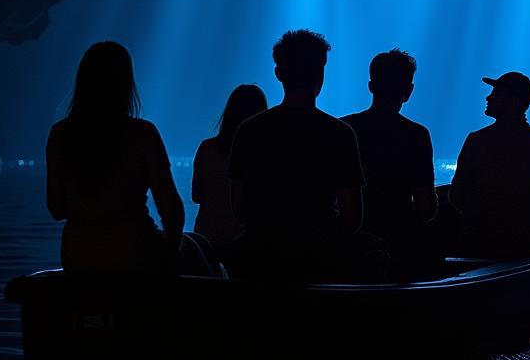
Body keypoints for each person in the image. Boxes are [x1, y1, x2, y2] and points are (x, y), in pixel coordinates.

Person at [46, 41, 216, 274]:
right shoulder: (142, 133)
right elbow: (171, 210)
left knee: (197, 242)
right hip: (133, 250)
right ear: (126, 84)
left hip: (77, 255)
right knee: (199, 249)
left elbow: (56, 209)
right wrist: (170, 252)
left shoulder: (59, 135)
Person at [228, 29, 374, 280]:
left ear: (279, 73)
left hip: (258, 261)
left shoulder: (248, 131)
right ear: (321, 74)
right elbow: (352, 217)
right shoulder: (339, 134)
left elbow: (239, 209)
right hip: (319, 262)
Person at [341, 50, 436, 275]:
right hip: (400, 246)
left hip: (349, 246)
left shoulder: (344, 130)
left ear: (371, 86)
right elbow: (426, 208)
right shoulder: (417, 135)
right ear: (408, 91)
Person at [448, 71, 530, 259]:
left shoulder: (476, 141)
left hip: (481, 241)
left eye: (496, 93)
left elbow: (456, 197)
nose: (488, 97)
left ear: (514, 100)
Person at [192, 84, 268, 257]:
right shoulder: (264, 153)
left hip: (207, 238)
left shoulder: (207, 148)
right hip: (246, 242)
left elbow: (196, 196)